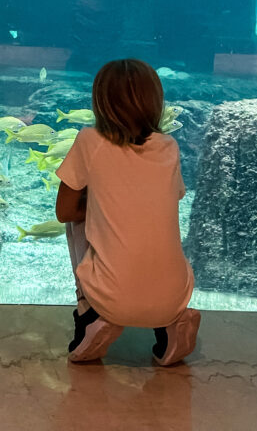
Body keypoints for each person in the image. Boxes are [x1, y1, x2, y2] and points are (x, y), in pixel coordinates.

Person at [55, 58, 200, 365]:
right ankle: (171, 326)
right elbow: (168, 200)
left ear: (100, 102)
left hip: (112, 297)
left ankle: (90, 316)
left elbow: (64, 211)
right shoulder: (169, 147)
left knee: (76, 224)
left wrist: (98, 203)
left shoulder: (89, 140)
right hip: (175, 295)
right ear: (155, 102)